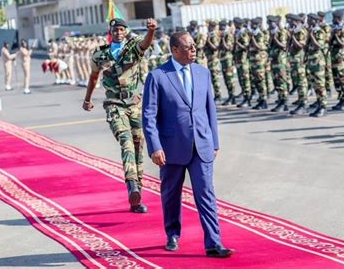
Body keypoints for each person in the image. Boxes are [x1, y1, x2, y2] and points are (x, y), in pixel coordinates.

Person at [142, 31, 233, 258]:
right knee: (171, 194)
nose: (193, 50)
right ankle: (172, 233)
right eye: (188, 47)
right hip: (171, 148)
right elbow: (149, 115)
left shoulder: (203, 73)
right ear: (174, 50)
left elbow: (209, 109)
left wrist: (214, 140)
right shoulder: (158, 76)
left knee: (206, 194)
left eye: (194, 46)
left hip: (201, 146)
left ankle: (214, 242)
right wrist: (155, 147)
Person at [82, 17, 158, 213]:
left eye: (122, 29)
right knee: (125, 141)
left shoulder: (132, 48)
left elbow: (145, 44)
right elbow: (93, 77)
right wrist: (87, 99)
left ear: (126, 31)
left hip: (134, 104)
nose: (118, 32)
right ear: (111, 32)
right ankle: (132, 184)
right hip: (114, 104)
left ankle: (137, 197)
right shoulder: (100, 54)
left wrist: (151, 31)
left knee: (138, 146)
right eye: (115, 30)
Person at [306, 13, 327, 117]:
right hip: (311, 62)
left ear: (315, 20)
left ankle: (323, 106)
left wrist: (310, 35)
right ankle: (319, 105)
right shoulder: (312, 31)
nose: (307, 21)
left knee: (320, 85)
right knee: (315, 85)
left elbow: (318, 46)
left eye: (309, 19)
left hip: (318, 62)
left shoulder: (319, 32)